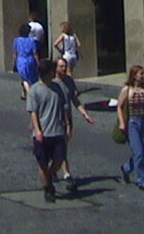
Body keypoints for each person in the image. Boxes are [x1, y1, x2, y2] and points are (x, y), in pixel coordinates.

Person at [26, 58, 70, 203]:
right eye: (53, 70)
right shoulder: (35, 90)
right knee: (43, 164)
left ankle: (49, 177)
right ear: (47, 73)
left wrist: (67, 126)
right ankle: (48, 189)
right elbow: (33, 112)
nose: (55, 72)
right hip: (43, 133)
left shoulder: (58, 87)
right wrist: (37, 131)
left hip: (57, 131)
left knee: (58, 160)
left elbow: (64, 107)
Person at [53, 56, 94, 190]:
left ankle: (55, 169)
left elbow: (75, 100)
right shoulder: (51, 82)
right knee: (59, 147)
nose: (64, 69)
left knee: (62, 146)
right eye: (61, 66)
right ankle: (66, 174)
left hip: (67, 119)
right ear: (55, 68)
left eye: (65, 66)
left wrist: (85, 114)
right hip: (54, 119)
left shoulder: (69, 81)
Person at [13, 23, 39, 99]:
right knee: (31, 77)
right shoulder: (32, 41)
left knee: (24, 78)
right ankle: (23, 93)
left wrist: (14, 63)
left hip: (21, 60)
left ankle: (30, 94)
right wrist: (38, 62)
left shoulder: (16, 40)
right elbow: (35, 53)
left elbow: (15, 54)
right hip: (30, 59)